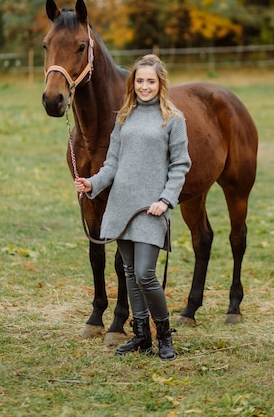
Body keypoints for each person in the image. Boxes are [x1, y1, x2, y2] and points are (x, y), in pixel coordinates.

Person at [74, 54, 191, 360]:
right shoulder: (124, 116)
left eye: (150, 81)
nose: (144, 86)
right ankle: (141, 337)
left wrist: (165, 200)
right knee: (128, 272)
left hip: (151, 208)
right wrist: (92, 184)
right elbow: (112, 163)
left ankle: (163, 336)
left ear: (160, 83)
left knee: (145, 273)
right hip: (122, 204)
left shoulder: (173, 120)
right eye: (139, 81)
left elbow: (180, 165)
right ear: (133, 83)